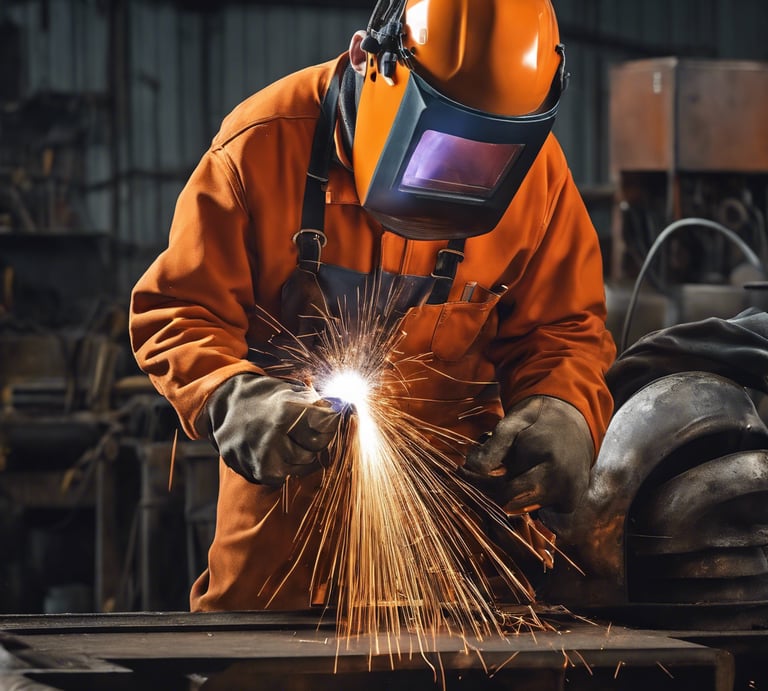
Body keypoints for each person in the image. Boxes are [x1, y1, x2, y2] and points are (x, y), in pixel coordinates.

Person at [129, 0, 616, 612]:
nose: (453, 172)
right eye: (437, 140)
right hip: (284, 540)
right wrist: (230, 395)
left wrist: (563, 407)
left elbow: (564, 329)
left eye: (484, 153)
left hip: (463, 543)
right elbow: (178, 309)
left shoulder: (536, 178)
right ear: (368, 60)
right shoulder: (262, 145)